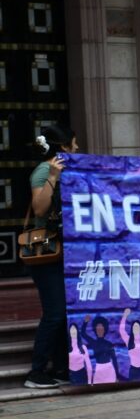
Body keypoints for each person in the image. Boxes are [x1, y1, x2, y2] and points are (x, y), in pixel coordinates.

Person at [24, 124, 79, 389]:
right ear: (64, 147)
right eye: (74, 144)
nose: (77, 148)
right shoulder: (45, 170)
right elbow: (39, 207)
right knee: (55, 313)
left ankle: (59, 367)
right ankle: (36, 372)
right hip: (46, 255)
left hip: (62, 254)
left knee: (64, 313)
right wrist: (53, 177)